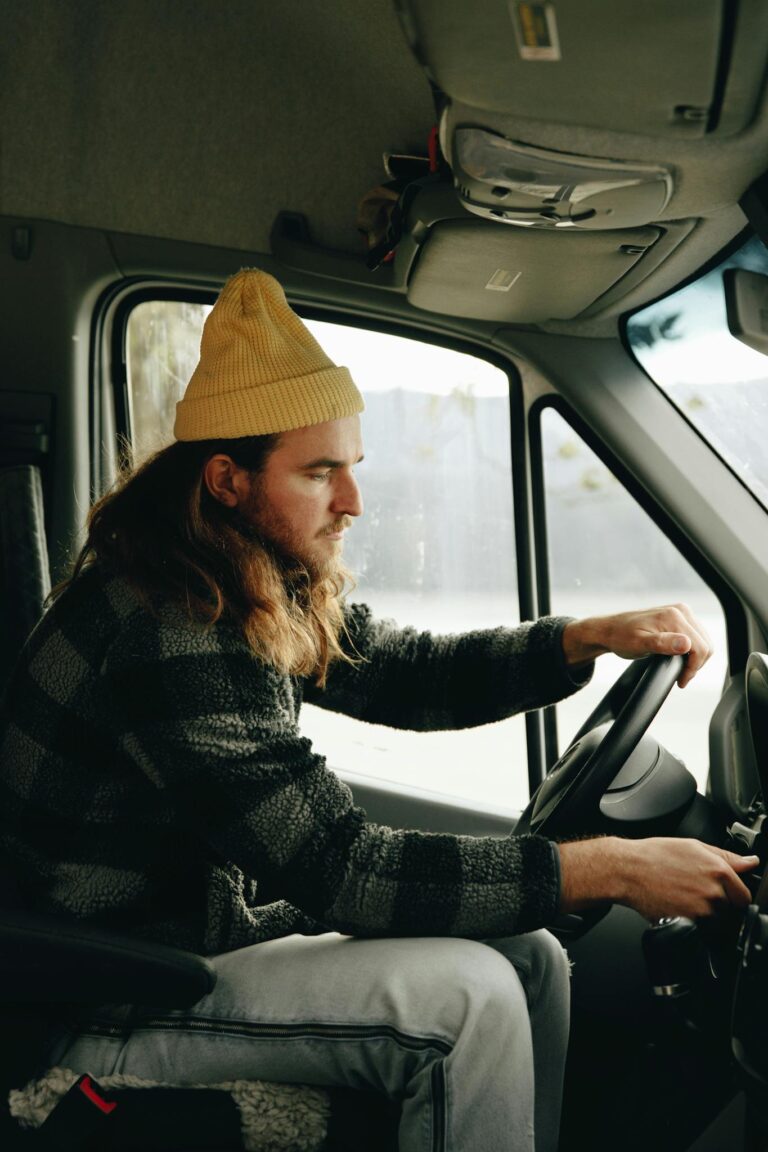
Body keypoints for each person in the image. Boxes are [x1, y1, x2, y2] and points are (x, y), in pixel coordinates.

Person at [0, 270, 758, 1152]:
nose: (353, 501)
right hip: (117, 984)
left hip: (195, 933)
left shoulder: (238, 573)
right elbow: (339, 867)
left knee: (533, 957)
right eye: (322, 473)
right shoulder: (170, 625)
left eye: (352, 468)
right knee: (467, 1005)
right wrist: (612, 869)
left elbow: (401, 669)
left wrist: (581, 639)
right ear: (226, 479)